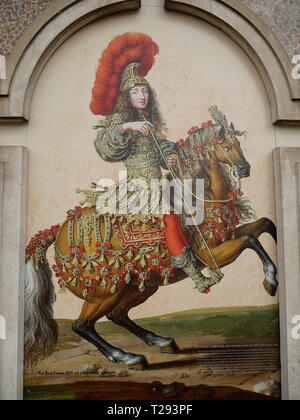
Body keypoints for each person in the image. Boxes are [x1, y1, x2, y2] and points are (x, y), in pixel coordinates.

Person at [90, 32, 215, 293]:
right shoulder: (120, 122)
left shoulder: (149, 120)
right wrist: (126, 126)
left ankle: (193, 261)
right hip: (138, 185)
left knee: (191, 212)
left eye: (144, 90)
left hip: (159, 182)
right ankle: (196, 277)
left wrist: (169, 154)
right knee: (169, 218)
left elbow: (160, 145)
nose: (141, 95)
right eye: (135, 92)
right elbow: (104, 146)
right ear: (127, 97)